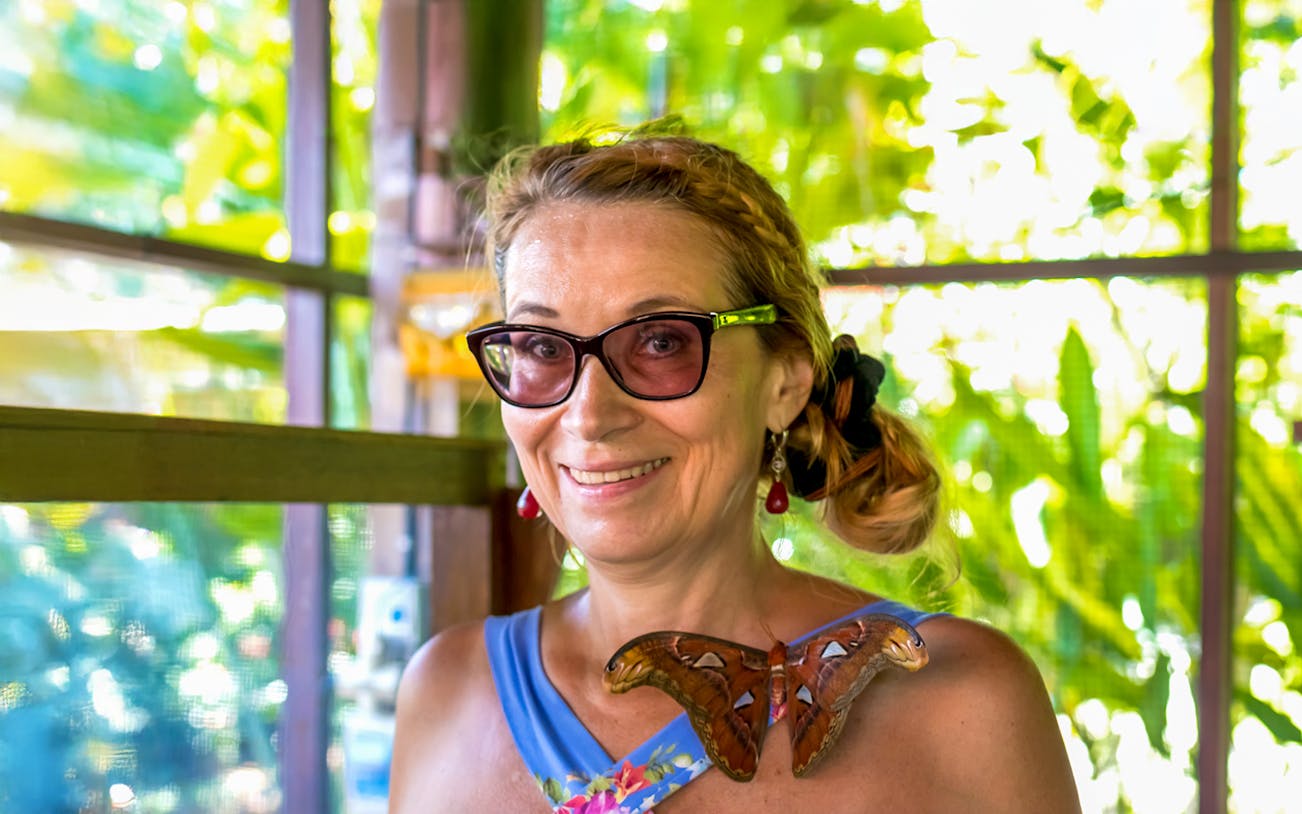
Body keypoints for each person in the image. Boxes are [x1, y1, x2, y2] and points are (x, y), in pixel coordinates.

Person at [388, 127, 1082, 813]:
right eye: (542, 345)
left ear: (783, 381)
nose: (588, 412)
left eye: (660, 341)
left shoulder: (961, 705)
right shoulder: (446, 694)